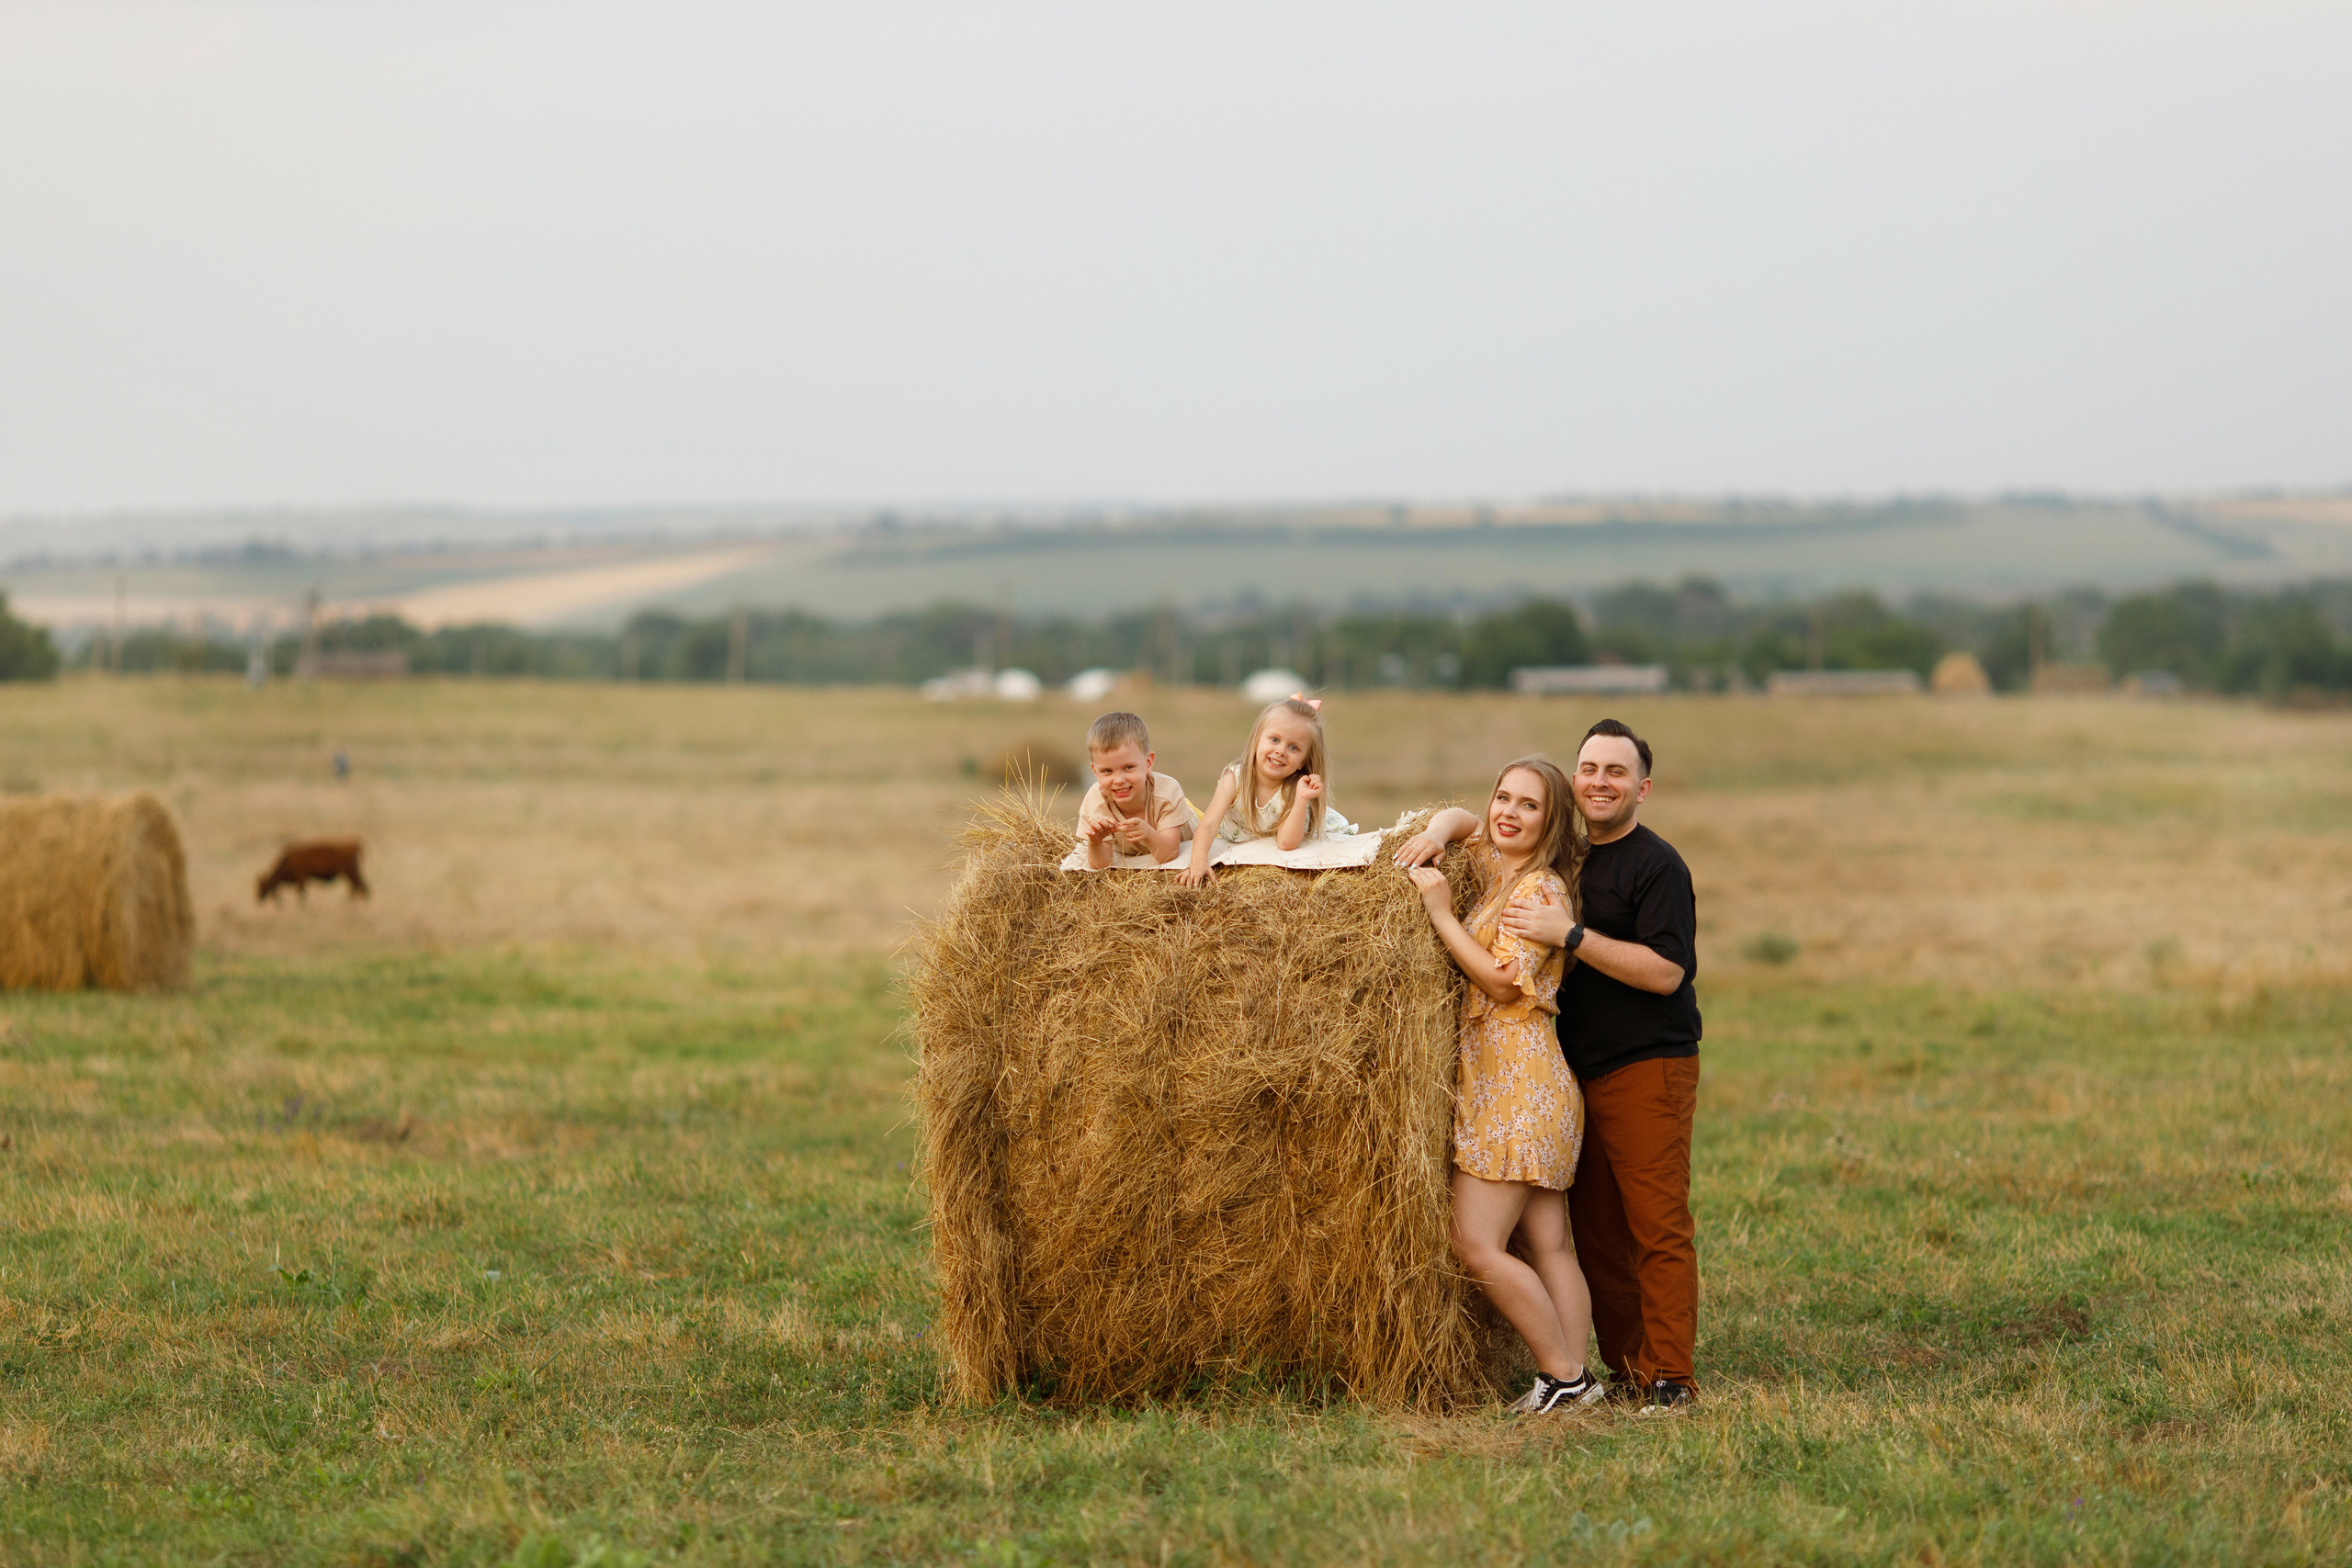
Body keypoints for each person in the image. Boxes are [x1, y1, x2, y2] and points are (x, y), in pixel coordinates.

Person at [1501, 718, 1702, 1413]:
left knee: (1656, 1224)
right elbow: (1481, 824)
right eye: (1589, 768)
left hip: (1648, 1066)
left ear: (1642, 787)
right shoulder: (1570, 860)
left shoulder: (1657, 865)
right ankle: (1628, 1371)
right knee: (1598, 1233)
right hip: (1575, 1077)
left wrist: (1572, 936)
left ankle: (1672, 1376)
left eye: (1616, 771)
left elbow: (1668, 972)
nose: (1600, 781)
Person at [1391, 758, 1603, 1414]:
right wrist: (1437, 831)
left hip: (1518, 1088)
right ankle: (1578, 1381)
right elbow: (1463, 819)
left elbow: (1501, 981)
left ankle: (1562, 1373)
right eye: (1502, 797)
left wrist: (1441, 912)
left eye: (1528, 805)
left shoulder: (1539, 893)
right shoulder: (1501, 866)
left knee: (1475, 1243)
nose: (1509, 812)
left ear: (1552, 821)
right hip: (1522, 1083)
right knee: (1547, 1243)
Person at [1175, 696, 1356, 886]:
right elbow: (1209, 824)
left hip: (1300, 828)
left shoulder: (1295, 788)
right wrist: (1198, 860)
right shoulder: (1235, 778)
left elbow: (1286, 843)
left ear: (1303, 761)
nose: (1281, 751)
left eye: (1293, 747)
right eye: (1274, 739)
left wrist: (1302, 799)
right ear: (1257, 739)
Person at [1075, 711, 1196, 868]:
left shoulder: (1167, 792)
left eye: (1128, 767)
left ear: (1148, 763)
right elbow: (1101, 865)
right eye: (1107, 771)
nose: (1118, 780)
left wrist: (1147, 833)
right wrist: (1095, 842)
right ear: (1095, 772)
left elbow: (1169, 854)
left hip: (1184, 827)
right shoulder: (1096, 802)